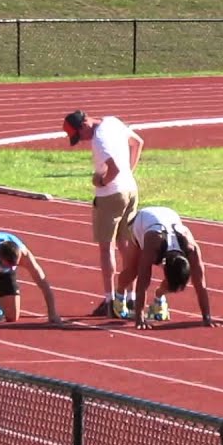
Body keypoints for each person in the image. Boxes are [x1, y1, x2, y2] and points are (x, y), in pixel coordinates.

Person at [63, 110, 144, 319]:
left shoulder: (99, 141)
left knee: (107, 247)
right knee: (126, 245)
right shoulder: (113, 122)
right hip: (130, 190)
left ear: (84, 125)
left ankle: (110, 301)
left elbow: (113, 170)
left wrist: (102, 182)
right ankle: (131, 297)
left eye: (79, 136)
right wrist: (129, 173)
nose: (82, 141)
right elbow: (138, 143)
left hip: (111, 196)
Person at [115, 206, 220, 329]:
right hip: (143, 221)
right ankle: (119, 295)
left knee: (177, 282)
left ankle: (159, 297)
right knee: (133, 270)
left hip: (168, 217)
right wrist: (140, 319)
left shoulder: (192, 249)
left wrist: (207, 318)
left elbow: (200, 284)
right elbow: (143, 283)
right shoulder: (153, 244)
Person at [0, 231, 62, 327]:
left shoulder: (25, 256)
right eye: (9, 265)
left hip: (4, 272)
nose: (12, 267)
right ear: (0, 257)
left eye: (14, 265)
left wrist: (52, 313)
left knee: (12, 316)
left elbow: (43, 284)